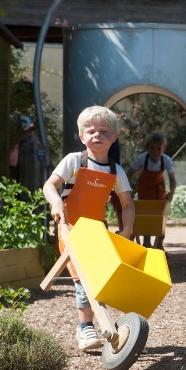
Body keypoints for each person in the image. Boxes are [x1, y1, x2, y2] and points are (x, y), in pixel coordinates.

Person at [43, 106, 135, 351]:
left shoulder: (116, 171)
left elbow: (127, 205)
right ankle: (85, 327)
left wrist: (126, 231)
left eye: (104, 131)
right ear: (81, 136)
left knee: (102, 277)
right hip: (71, 227)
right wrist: (55, 203)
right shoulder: (75, 160)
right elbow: (50, 185)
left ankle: (100, 322)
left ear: (114, 137)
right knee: (84, 279)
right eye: (91, 131)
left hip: (97, 230)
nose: (97, 135)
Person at [127, 132, 177, 249]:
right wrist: (128, 191)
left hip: (159, 191)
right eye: (152, 148)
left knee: (161, 217)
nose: (155, 152)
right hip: (144, 190)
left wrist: (171, 193)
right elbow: (128, 174)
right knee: (145, 216)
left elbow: (173, 181)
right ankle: (146, 243)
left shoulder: (167, 160)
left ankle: (159, 245)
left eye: (158, 149)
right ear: (147, 148)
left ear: (163, 148)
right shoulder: (141, 159)